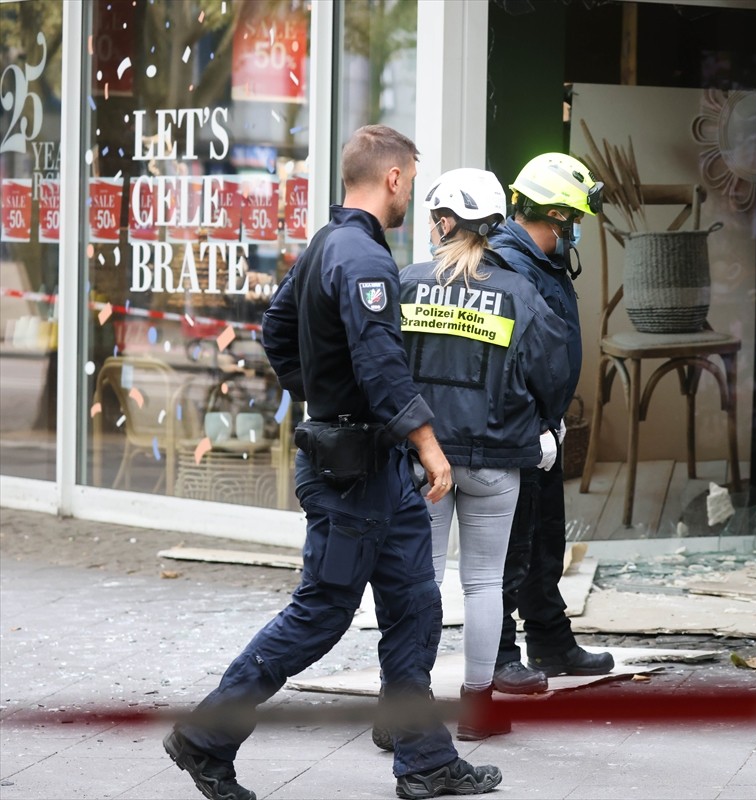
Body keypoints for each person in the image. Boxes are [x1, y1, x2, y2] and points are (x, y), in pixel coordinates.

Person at [162, 126, 501, 800]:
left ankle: (427, 762)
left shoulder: (327, 245)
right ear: (394, 179)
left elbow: (275, 329)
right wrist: (427, 446)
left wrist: (316, 392)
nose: (410, 193)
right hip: (353, 476)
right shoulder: (364, 259)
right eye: (409, 177)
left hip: (373, 470)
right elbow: (381, 367)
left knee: (414, 605)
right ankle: (205, 737)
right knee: (320, 614)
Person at [393, 167, 573, 740]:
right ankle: (478, 709)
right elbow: (553, 372)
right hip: (497, 462)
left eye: (433, 217)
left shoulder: (408, 282)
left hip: (426, 461)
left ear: (447, 222)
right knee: (483, 584)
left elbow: (383, 368)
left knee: (417, 582)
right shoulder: (519, 291)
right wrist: (545, 429)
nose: (428, 226)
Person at [487, 153, 615, 694]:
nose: (578, 231)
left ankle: (550, 640)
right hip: (515, 430)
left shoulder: (540, 261)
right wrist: (530, 422)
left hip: (542, 427)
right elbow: (504, 357)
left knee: (543, 543)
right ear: (555, 216)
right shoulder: (507, 265)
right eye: (575, 221)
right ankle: (496, 656)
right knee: (509, 552)